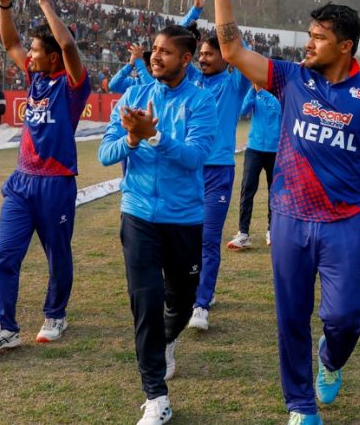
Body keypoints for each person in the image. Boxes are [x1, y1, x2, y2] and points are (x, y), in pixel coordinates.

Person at [210, 0, 360, 425]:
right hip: (290, 217)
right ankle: (300, 405)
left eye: (320, 38)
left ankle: (331, 358)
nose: (309, 44)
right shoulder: (291, 78)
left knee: (345, 318)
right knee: (291, 316)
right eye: (310, 35)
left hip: (344, 224)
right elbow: (233, 50)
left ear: (346, 47)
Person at [98, 24, 216, 425]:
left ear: (185, 59)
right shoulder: (132, 96)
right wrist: (131, 140)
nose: (155, 56)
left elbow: (195, 157)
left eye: (166, 51)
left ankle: (168, 341)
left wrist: (153, 136)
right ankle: (156, 397)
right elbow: (104, 154)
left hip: (184, 219)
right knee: (145, 303)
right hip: (138, 215)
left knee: (182, 300)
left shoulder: (201, 102)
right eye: (153, 49)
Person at [0, 0, 91, 354]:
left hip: (56, 183)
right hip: (21, 182)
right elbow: (11, 42)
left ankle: (55, 314)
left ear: (52, 57)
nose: (30, 54)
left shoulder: (73, 85)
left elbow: (68, 45)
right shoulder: (34, 78)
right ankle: (5, 327)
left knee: (57, 255)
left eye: (38, 51)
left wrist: (45, 5)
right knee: (6, 254)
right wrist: (4, 5)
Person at [180, 0, 252, 332]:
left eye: (210, 54)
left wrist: (225, 3)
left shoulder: (235, 83)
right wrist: (194, 11)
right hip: (187, 169)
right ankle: (193, 289)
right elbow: (175, 41)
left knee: (208, 238)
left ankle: (201, 304)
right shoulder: (192, 79)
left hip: (218, 172)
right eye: (201, 55)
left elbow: (242, 49)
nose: (203, 59)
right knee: (186, 239)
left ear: (225, 56)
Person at [227, 82, 281, 250]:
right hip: (254, 148)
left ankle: (272, 230)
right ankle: (243, 233)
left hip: (275, 150)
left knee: (275, 192)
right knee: (247, 189)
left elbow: (278, 110)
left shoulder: (281, 93)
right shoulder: (256, 93)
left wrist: (262, 91)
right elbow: (243, 111)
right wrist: (252, 90)